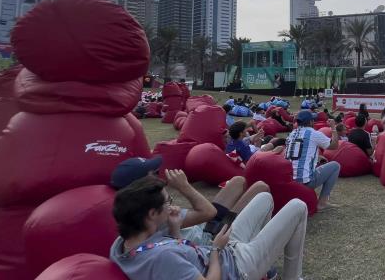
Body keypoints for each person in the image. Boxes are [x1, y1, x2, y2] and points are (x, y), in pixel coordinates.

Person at [110, 174, 307, 280]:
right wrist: (215, 249)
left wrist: (175, 229)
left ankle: (263, 267)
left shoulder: (123, 243)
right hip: (236, 268)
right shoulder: (161, 259)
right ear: (151, 214)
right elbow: (169, 260)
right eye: (167, 201)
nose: (170, 205)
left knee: (264, 197)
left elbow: (177, 253)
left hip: (225, 250)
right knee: (298, 206)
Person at [110, 160, 271, 243]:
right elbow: (209, 212)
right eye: (154, 174)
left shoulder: (137, 209)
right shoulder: (152, 216)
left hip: (203, 227)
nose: (159, 176)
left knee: (237, 181)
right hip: (212, 239)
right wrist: (184, 186)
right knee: (261, 188)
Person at [285, 110, 341, 210]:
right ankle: (322, 203)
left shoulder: (291, 134)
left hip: (289, 181)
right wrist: (333, 127)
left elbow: (297, 152)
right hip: (304, 182)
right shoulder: (314, 134)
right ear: (311, 122)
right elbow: (335, 145)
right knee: (335, 166)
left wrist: (317, 157)